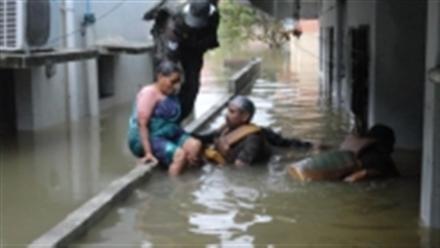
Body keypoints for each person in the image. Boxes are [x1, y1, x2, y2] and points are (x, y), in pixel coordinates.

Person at [143, 0, 220, 122]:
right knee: (167, 76)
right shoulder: (175, 20)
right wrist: (172, 74)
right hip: (170, 42)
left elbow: (208, 40)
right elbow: (170, 56)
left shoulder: (213, 16)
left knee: (192, 85)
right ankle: (157, 118)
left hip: (194, 46)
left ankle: (177, 119)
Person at [195, 96, 316, 167]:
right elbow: (205, 138)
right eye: (228, 111)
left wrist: (226, 153)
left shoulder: (253, 139)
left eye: (232, 112)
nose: (227, 115)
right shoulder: (225, 128)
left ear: (245, 116)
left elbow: (241, 169)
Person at [127, 61, 202, 176]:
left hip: (169, 133)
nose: (175, 86)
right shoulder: (149, 93)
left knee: (195, 146)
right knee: (180, 156)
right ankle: (175, 185)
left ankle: (188, 181)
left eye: (177, 82)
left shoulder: (171, 93)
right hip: (150, 137)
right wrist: (148, 153)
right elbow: (142, 124)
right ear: (160, 77)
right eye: (172, 81)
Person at [288, 124, 399, 182]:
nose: (393, 149)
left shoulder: (354, 146)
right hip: (309, 177)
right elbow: (362, 174)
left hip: (296, 168)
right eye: (392, 143)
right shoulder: (380, 159)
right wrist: (346, 185)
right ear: (385, 142)